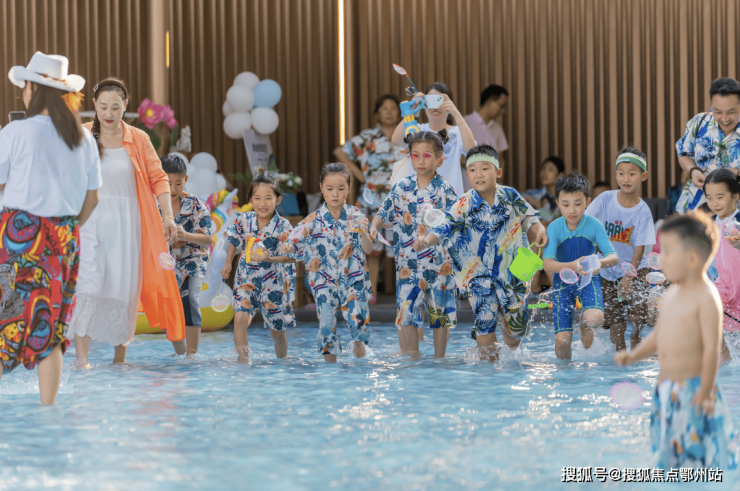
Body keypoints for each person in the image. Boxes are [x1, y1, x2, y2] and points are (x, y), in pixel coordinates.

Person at [0, 51, 101, 404]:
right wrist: (66, 230)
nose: (22, 94)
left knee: (7, 316)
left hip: (19, 235)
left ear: (33, 89)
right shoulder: (82, 138)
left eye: (25, 87)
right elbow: (92, 199)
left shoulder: (15, 131)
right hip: (64, 238)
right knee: (51, 323)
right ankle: (48, 410)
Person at [68, 77, 185, 367]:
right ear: (94, 105)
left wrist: (167, 217)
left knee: (123, 287)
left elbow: (159, 179)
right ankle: (82, 360)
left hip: (127, 223)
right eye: (103, 107)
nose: (108, 113)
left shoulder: (139, 138)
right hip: (90, 220)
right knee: (87, 286)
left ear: (125, 106)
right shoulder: (82, 136)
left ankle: (119, 360)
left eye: (115, 107)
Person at [615, 212, 738, 470]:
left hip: (695, 390)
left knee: (696, 456)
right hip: (666, 388)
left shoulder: (707, 297)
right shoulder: (671, 293)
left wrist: (706, 392)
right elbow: (658, 335)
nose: (660, 259)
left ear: (692, 259)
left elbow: (711, 351)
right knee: (667, 451)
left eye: (668, 252)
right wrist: (634, 355)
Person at [416, 144, 548, 361]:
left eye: (485, 168)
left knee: (516, 334)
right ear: (467, 175)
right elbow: (444, 226)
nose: (479, 174)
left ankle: (507, 331)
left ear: (498, 172)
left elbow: (529, 218)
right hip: (477, 277)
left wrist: (540, 230)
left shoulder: (510, 195)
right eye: (473, 170)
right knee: (484, 329)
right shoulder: (463, 204)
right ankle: (489, 373)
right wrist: (426, 241)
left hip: (514, 274)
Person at [370, 130, 458, 359]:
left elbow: (454, 221)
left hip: (439, 264)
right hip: (407, 264)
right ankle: (412, 354)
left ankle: (440, 358)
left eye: (427, 155)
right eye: (415, 155)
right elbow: (383, 211)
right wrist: (374, 226)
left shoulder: (445, 189)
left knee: (439, 312)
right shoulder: (401, 187)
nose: (420, 161)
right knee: (406, 310)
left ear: (439, 159)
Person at [282, 164, 373, 363]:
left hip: (353, 277)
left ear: (349, 188)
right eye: (329, 189)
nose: (335, 194)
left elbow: (368, 249)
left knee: (358, 322)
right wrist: (288, 246)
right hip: (323, 280)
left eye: (341, 188)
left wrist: (364, 233)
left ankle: (358, 342)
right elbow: (293, 240)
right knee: (326, 324)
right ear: (321, 188)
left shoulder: (356, 215)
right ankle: (331, 371)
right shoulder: (312, 220)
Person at [333, 95, 404, 304]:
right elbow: (340, 151)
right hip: (371, 199)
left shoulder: (407, 135)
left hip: (399, 198)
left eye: (393, 108)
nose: (389, 112)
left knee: (402, 246)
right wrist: (357, 173)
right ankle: (371, 291)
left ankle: (405, 292)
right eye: (384, 108)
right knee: (370, 246)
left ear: (400, 113)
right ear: (377, 113)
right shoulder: (367, 137)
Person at [585, 147, 656, 351]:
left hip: (636, 268)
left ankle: (636, 337)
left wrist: (629, 276)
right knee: (614, 320)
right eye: (621, 173)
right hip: (607, 269)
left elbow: (640, 248)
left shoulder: (643, 211)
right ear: (616, 174)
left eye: (632, 174)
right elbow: (587, 224)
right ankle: (621, 355)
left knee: (637, 315)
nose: (626, 179)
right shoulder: (605, 199)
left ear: (643, 176)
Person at [542, 173, 618, 360]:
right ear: (558, 203)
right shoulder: (554, 227)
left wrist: (599, 262)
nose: (572, 210)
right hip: (563, 283)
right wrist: (572, 265)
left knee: (595, 319)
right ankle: (565, 372)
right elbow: (547, 264)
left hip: (588, 279)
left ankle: (584, 323)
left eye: (577, 203)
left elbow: (613, 256)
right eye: (566, 204)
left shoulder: (594, 225)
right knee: (562, 341)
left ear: (587, 202)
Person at [223, 174, 296, 361]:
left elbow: (291, 257)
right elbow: (234, 240)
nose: (262, 204)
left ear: (277, 199)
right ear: (250, 200)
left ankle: (282, 364)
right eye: (257, 198)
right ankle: (243, 362)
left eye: (268, 198)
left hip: (273, 286)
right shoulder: (244, 220)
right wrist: (228, 262)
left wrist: (269, 257)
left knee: (277, 333)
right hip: (246, 279)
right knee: (240, 317)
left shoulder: (284, 226)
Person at [162, 155, 213, 357]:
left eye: (178, 183)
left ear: (186, 180)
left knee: (190, 298)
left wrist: (186, 236)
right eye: (168, 183)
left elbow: (208, 239)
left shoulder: (195, 204)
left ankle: (192, 355)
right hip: (166, 263)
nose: (173, 189)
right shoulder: (154, 206)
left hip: (193, 260)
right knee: (167, 308)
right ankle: (181, 354)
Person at [391, 83, 476, 196]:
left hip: (450, 200)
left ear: (449, 103)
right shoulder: (417, 130)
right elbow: (396, 141)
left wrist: (456, 113)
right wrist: (412, 111)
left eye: (439, 101)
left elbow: (471, 150)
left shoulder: (457, 132)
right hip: (419, 199)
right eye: (430, 101)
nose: (435, 107)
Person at [675, 77, 740, 214]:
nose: (724, 119)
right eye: (718, 112)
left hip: (735, 207)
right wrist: (693, 170)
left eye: (731, 112)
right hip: (697, 204)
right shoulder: (699, 122)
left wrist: (737, 173)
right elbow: (683, 154)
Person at [703, 169, 740, 362]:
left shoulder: (738, 221)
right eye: (709, 198)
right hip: (723, 284)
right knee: (709, 316)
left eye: (720, 197)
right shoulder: (710, 224)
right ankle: (725, 358)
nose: (714, 203)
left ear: (735, 196)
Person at [523, 156, 566, 293]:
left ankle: (530, 288)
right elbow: (514, 201)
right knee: (536, 236)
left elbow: (558, 220)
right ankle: (554, 289)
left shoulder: (566, 196)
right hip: (539, 239)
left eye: (550, 170)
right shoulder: (534, 194)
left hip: (562, 240)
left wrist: (538, 208)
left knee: (540, 234)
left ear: (560, 176)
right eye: (543, 169)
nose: (544, 173)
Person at [463, 85, 509, 189]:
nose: (503, 111)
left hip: (491, 191)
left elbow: (501, 159)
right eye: (501, 106)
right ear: (490, 102)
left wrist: (499, 184)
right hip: (468, 189)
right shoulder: (465, 124)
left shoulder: (497, 129)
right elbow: (458, 158)